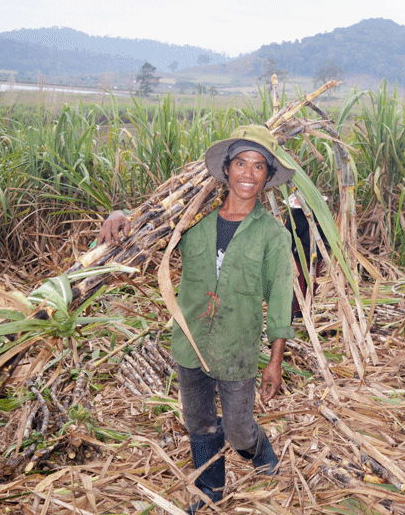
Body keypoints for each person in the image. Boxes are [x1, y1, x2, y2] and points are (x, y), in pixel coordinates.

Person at [99, 125, 296, 513]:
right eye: (240, 163)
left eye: (258, 167)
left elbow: (280, 297)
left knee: (238, 430)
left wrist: (275, 360)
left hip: (236, 348)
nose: (247, 173)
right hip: (191, 342)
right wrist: (119, 214)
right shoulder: (191, 221)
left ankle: (258, 449)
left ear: (268, 178)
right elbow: (144, 225)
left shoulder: (273, 234)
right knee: (199, 423)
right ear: (226, 169)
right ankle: (210, 490)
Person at [284, 192, 329, 321]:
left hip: (315, 256)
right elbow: (288, 237)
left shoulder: (319, 216)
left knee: (313, 283)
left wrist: (323, 250)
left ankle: (309, 308)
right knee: (299, 283)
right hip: (299, 256)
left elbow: (325, 236)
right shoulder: (292, 216)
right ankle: (297, 312)